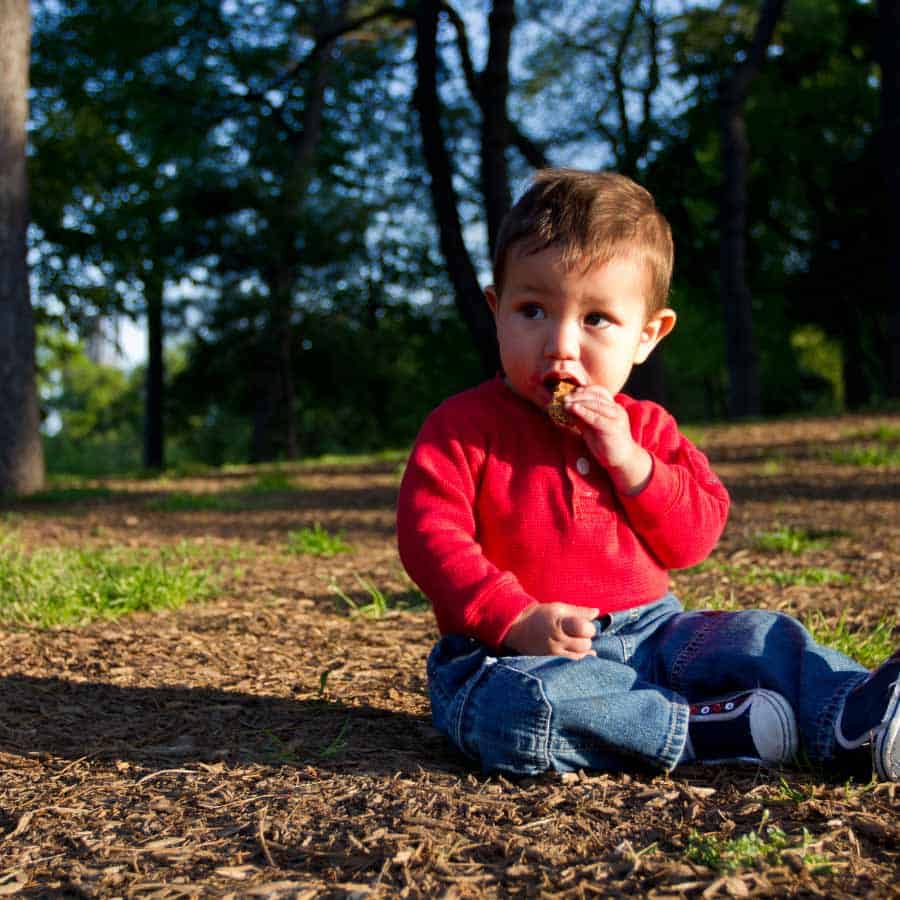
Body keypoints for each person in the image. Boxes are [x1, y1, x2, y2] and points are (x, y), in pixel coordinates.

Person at [396, 169, 899, 781]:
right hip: (511, 651)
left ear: (647, 335)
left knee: (763, 637)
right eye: (533, 309)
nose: (560, 343)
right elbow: (431, 538)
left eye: (597, 319)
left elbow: (692, 540)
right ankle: (702, 732)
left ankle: (852, 714)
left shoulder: (648, 429)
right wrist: (513, 616)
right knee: (517, 709)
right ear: (496, 312)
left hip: (657, 632)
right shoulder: (463, 428)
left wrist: (630, 461)